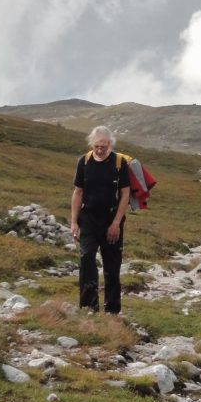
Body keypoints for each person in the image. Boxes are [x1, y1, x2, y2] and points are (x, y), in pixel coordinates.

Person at [70, 126, 130, 314]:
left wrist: (116, 223)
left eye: (104, 146)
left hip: (111, 218)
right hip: (88, 218)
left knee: (112, 265)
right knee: (86, 258)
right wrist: (74, 221)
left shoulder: (119, 163)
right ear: (92, 144)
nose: (100, 149)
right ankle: (89, 306)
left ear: (110, 144)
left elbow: (125, 194)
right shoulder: (84, 162)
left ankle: (112, 310)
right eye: (97, 146)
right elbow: (78, 192)